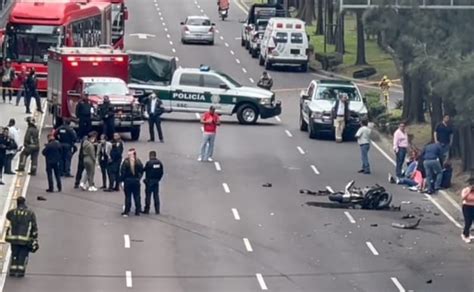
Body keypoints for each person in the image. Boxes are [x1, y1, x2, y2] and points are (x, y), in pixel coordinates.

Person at [5, 197, 38, 278]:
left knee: (14, 254)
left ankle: (12, 271)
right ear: (24, 202)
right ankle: (20, 272)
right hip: (25, 239)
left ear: (17, 203)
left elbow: (8, 216)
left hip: (14, 238)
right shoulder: (30, 213)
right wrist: (34, 238)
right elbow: (34, 226)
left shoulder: (12, 212)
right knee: (22, 255)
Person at [120, 148, 144, 217]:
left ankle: (127, 211)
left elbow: (123, 172)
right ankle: (137, 211)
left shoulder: (126, 162)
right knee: (137, 196)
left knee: (128, 196)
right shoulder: (138, 161)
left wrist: (121, 180)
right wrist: (138, 178)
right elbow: (141, 171)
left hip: (127, 181)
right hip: (136, 181)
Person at [461, 179, 474, 243]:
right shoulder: (465, 190)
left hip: (473, 207)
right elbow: (463, 198)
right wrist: (469, 191)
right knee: (468, 221)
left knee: (471, 221)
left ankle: (465, 233)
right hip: (466, 206)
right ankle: (465, 236)